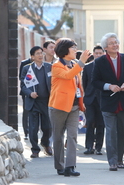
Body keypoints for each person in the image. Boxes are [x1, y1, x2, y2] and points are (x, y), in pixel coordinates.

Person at [92, 33, 124, 171]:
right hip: (108, 101)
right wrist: (109, 86)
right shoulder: (99, 62)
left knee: (123, 132)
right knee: (111, 132)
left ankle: (119, 159)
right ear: (106, 47)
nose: (115, 45)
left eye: (116, 42)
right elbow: (95, 81)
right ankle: (112, 161)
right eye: (112, 43)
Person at [48, 38, 90, 177]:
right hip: (58, 106)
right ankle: (59, 166)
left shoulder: (74, 64)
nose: (76, 50)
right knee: (58, 137)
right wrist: (82, 61)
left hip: (74, 106)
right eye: (73, 47)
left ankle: (70, 166)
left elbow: (78, 84)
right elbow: (68, 76)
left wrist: (81, 102)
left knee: (72, 136)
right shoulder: (56, 66)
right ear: (64, 50)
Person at [20, 46, 52, 158]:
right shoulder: (27, 68)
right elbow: (23, 85)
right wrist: (30, 93)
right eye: (37, 53)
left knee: (47, 126)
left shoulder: (49, 67)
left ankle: (46, 143)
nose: (40, 55)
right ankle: (35, 149)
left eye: (41, 53)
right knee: (33, 128)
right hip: (33, 101)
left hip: (46, 101)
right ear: (32, 57)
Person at [82, 45, 105, 155]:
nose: (98, 55)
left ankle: (99, 147)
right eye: (96, 53)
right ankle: (89, 146)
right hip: (90, 99)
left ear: (104, 54)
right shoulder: (87, 67)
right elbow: (84, 84)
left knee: (101, 123)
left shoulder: (106, 67)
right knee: (90, 122)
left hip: (102, 99)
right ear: (93, 54)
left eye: (100, 53)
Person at [19, 57, 32, 140]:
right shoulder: (25, 63)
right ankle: (26, 132)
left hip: (38, 91)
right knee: (26, 111)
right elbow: (21, 77)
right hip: (26, 90)